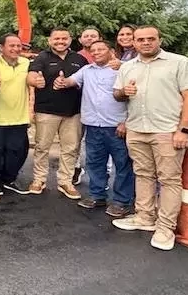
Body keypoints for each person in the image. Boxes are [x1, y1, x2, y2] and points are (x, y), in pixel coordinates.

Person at [112, 25, 188, 251]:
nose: (145, 43)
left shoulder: (179, 63)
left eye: (150, 38)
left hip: (167, 130)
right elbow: (117, 94)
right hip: (136, 129)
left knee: (169, 179)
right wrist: (124, 92)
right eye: (140, 39)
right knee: (142, 174)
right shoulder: (128, 66)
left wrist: (183, 130)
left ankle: (165, 227)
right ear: (133, 42)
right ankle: (145, 217)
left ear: (159, 40)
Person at [57, 40, 134, 217]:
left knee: (122, 165)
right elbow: (70, 81)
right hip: (93, 125)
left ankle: (122, 201)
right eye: (93, 50)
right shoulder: (86, 70)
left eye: (101, 49)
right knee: (95, 163)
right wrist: (62, 81)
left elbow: (133, 97)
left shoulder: (122, 70)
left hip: (116, 126)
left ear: (111, 51)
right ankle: (97, 195)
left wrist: (126, 122)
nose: (96, 52)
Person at [25, 28, 87, 198]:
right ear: (49, 41)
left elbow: (87, 80)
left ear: (70, 40)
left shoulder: (79, 59)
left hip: (73, 111)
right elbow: (30, 76)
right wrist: (36, 81)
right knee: (42, 147)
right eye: (57, 39)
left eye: (64, 38)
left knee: (70, 148)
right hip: (46, 110)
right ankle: (39, 180)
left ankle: (65, 182)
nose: (60, 41)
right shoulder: (42, 57)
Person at [0, 33, 42, 195]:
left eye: (18, 46)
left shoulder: (25, 63)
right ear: (1, 48)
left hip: (19, 116)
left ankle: (9, 179)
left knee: (17, 150)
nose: (16, 49)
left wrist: (38, 82)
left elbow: (32, 80)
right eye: (12, 45)